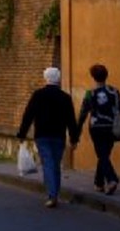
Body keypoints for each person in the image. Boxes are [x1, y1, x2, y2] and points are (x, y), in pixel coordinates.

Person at [17, 66, 79, 208]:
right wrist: (74, 138)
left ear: (46, 78)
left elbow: (28, 115)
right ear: (58, 79)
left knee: (48, 163)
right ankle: (54, 192)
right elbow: (71, 119)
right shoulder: (65, 97)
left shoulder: (38, 95)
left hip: (43, 135)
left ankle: (52, 194)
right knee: (55, 164)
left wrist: (22, 134)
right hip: (59, 136)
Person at [77, 63, 120, 195]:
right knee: (104, 154)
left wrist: (78, 128)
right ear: (106, 76)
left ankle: (111, 179)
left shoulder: (90, 94)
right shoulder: (114, 92)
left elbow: (83, 113)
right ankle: (98, 183)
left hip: (96, 128)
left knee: (102, 154)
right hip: (111, 127)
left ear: (93, 77)